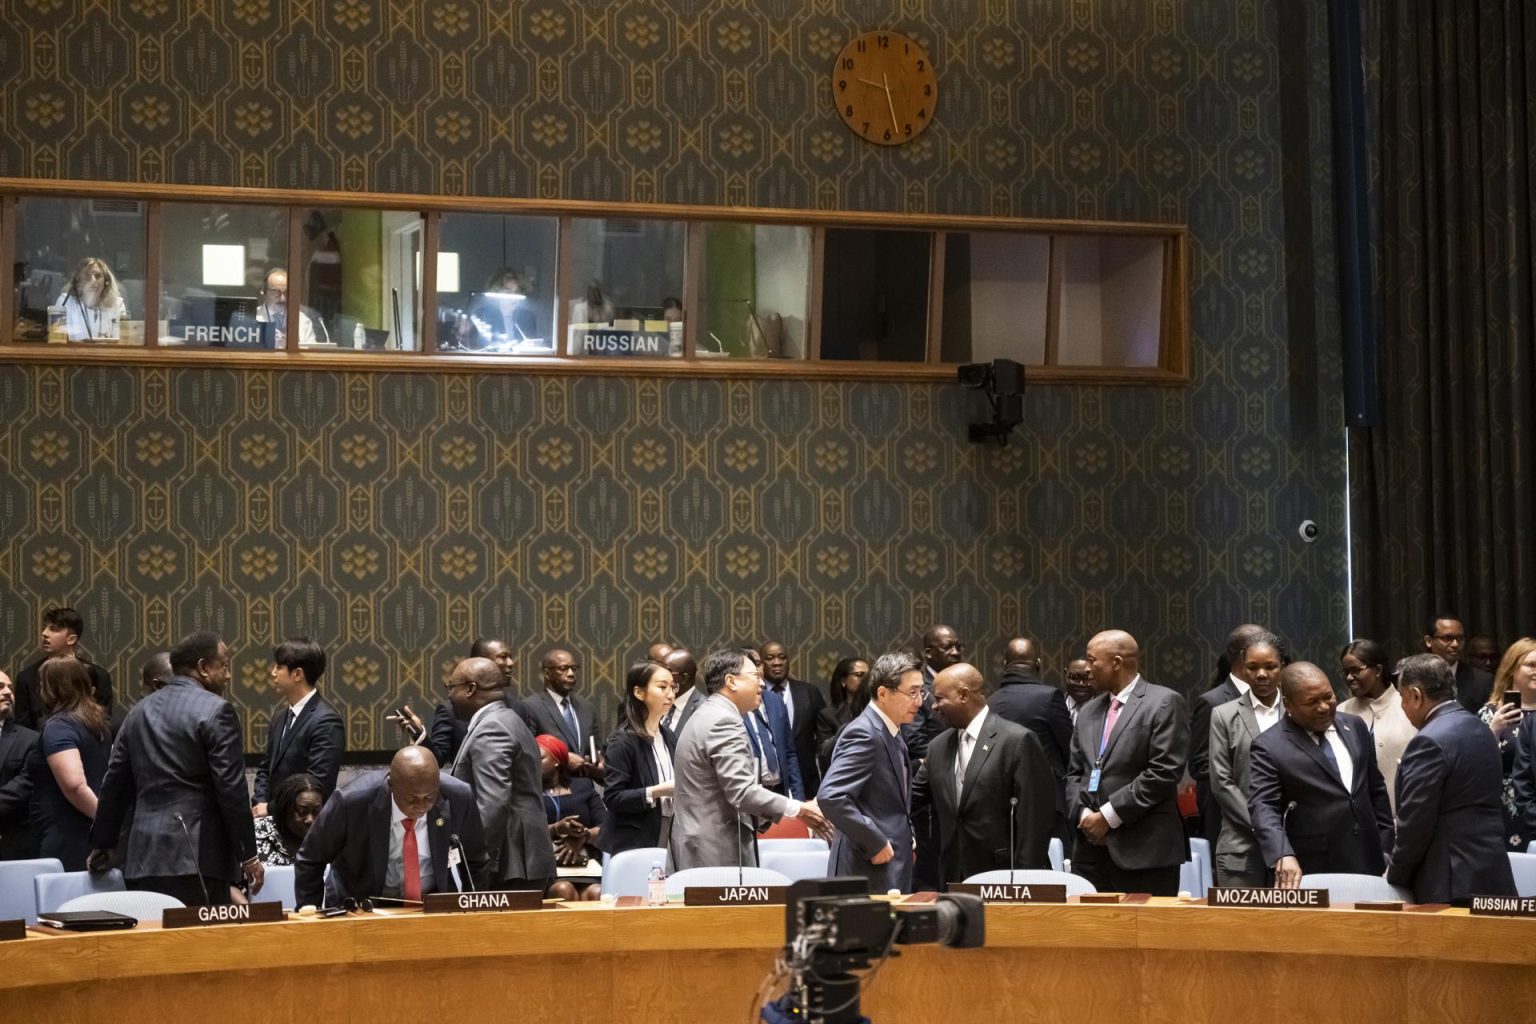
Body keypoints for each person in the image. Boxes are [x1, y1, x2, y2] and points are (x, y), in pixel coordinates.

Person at [88, 631, 261, 906]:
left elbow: (115, 783)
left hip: (143, 856)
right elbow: (231, 789)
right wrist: (248, 854)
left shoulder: (137, 712)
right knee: (199, 947)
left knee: (154, 945)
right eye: (224, 666)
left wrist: (103, 843)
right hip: (197, 858)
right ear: (203, 668)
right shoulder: (217, 711)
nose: (228, 675)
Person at [669, 648, 830, 871]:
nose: (762, 684)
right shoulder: (723, 721)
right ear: (731, 681)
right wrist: (799, 809)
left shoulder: (709, 713)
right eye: (755, 676)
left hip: (702, 846)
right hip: (715, 852)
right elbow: (741, 792)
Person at [1064, 630, 1190, 896]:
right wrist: (1084, 815)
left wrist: (1109, 817)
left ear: (1117, 662)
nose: (1086, 669)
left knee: (1147, 937)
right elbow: (1075, 773)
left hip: (1145, 852)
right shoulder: (1088, 711)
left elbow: (1163, 772)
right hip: (1090, 853)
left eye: (1092, 660)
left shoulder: (1164, 702)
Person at [1247, 662, 1393, 887]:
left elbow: (1375, 789)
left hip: (1369, 860)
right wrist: (1282, 853)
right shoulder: (1268, 746)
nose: (1324, 707)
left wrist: (1385, 846)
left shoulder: (1355, 727)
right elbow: (1263, 805)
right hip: (1312, 866)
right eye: (1312, 702)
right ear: (1289, 705)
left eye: (1328, 697)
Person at [1389, 654, 1518, 904]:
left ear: (1416, 695)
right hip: (1492, 871)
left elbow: (1415, 822)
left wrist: (1396, 874)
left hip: (1448, 880)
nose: (1403, 707)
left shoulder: (1428, 741)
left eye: (1402, 698)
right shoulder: (1480, 727)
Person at [914, 663, 1053, 886]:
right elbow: (912, 798)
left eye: (939, 698)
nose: (934, 707)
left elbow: (1035, 819)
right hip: (954, 875)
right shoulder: (938, 747)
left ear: (964, 695)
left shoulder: (1017, 741)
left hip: (1005, 874)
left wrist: (1026, 879)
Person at [295, 746, 487, 907]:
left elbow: (476, 861)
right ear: (391, 785)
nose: (421, 806)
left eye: (429, 797)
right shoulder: (351, 802)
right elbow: (311, 858)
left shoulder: (458, 797)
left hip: (431, 907)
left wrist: (476, 912)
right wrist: (310, 914)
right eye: (411, 799)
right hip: (363, 908)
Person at [819, 651, 927, 892]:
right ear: (883, 693)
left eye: (921, 692)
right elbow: (831, 797)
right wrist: (874, 841)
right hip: (867, 867)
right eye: (912, 692)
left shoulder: (890, 729)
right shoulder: (865, 733)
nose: (920, 701)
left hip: (887, 867)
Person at [448, 657, 557, 891]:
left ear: (470, 689)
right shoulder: (510, 719)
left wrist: (477, 862)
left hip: (509, 862)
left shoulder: (492, 728)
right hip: (522, 857)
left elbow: (492, 804)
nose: (448, 696)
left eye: (451, 687)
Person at [1208, 633, 1285, 885]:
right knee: (1240, 923)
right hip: (1241, 844)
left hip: (1293, 840)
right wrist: (1262, 825)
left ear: (1282, 666)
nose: (1261, 674)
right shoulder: (1223, 715)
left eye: (1270, 666)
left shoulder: (1297, 711)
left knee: (1293, 922)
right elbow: (1222, 782)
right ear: (1243, 667)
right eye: (1253, 667)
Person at [24, 658, 110, 871]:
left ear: (50, 688)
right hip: (87, 834)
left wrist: (106, 824)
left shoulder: (59, 726)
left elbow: (75, 785)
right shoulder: (98, 726)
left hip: (66, 836)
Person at [987, 637, 1074, 839]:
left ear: (1004, 664)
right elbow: (1071, 750)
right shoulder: (1050, 697)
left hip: (1003, 804)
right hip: (1048, 803)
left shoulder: (991, 702)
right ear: (1038, 664)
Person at [1189, 624, 1267, 847]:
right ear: (1245, 656)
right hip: (1228, 823)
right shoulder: (1212, 702)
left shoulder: (1278, 699)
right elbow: (1200, 764)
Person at [251, 637, 344, 815]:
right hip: (272, 823)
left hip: (304, 825)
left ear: (298, 674)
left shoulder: (327, 721)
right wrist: (260, 802)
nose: (273, 673)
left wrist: (270, 808)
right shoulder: (280, 717)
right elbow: (265, 769)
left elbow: (318, 785)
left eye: (279, 667)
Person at [600, 661, 678, 857]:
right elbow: (613, 798)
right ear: (639, 693)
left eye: (672, 687)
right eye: (662, 687)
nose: (670, 694)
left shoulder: (668, 736)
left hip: (668, 834)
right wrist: (659, 791)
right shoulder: (623, 741)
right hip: (632, 843)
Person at [1337, 638, 1417, 811]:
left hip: (1404, 813)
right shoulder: (1340, 713)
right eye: (1345, 672)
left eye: (1356, 670)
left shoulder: (1409, 705)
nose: (1350, 677)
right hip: (1357, 819)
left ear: (1378, 670)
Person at [13, 606, 114, 731]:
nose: (44, 633)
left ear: (71, 639)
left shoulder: (98, 676)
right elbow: (23, 728)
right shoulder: (27, 677)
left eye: (54, 629)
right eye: (44, 628)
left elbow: (103, 724)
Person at [518, 649, 605, 782]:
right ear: (547, 673)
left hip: (586, 787)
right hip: (551, 788)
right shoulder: (530, 707)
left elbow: (596, 748)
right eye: (563, 669)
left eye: (573, 668)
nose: (571, 674)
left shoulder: (587, 707)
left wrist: (600, 763)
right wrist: (563, 758)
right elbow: (526, 751)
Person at [536, 733, 604, 900]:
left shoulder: (583, 786)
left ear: (557, 761)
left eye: (540, 758)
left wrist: (583, 835)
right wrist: (556, 829)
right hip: (547, 867)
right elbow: (523, 832)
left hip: (585, 863)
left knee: (597, 893)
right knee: (564, 890)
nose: (533, 763)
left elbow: (606, 826)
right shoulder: (529, 792)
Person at [760, 641, 827, 797]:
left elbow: (823, 737)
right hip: (769, 783)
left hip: (807, 780)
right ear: (761, 664)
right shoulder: (756, 694)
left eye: (782, 657)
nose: (777, 663)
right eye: (770, 658)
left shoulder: (809, 692)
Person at [1492, 638, 1536, 850]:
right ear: (1511, 669)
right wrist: (1494, 730)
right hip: (1502, 810)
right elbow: (1472, 762)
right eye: (1531, 665)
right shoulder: (1491, 713)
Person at [0, 670, 40, 860]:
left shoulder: (30, 739)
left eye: (10, 688)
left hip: (12, 842)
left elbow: (26, 782)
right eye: (0, 687)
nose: (8, 692)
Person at [1424, 615, 1493, 715]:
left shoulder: (1482, 681)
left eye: (1460, 638)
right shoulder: (1415, 678)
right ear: (1429, 641)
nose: (1455, 644)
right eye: (1447, 638)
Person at [254, 773, 325, 867]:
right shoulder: (257, 834)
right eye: (302, 811)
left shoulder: (329, 838)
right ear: (285, 809)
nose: (310, 819)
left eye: (316, 811)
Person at [814, 657, 868, 776]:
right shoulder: (828, 715)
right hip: (844, 778)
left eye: (869, 675)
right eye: (860, 675)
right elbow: (824, 756)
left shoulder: (878, 710)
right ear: (843, 680)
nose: (866, 680)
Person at [56, 257, 127, 341]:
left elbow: (122, 341)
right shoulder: (65, 302)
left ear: (106, 281)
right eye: (87, 276)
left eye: (98, 276)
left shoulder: (118, 305)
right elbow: (58, 339)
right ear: (78, 281)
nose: (93, 280)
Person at [470, 269, 539, 346]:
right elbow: (475, 346)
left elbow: (533, 346)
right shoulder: (483, 314)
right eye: (508, 291)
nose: (514, 296)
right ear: (496, 292)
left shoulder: (527, 316)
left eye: (517, 292)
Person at [665, 648, 704, 734]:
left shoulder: (704, 709)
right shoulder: (656, 702)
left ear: (684, 678)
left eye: (667, 671)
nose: (661, 675)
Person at [1062, 658, 1095, 723]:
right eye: (1075, 677)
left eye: (1086, 678)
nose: (1081, 684)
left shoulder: (1106, 709)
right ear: (1066, 676)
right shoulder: (1055, 707)